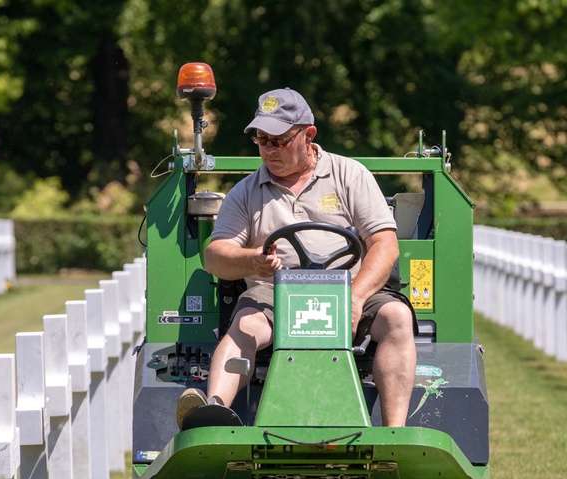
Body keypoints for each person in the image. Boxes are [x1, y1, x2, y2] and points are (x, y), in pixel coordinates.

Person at [176, 88, 417, 429]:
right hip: (273, 291)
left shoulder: (350, 174)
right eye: (261, 140)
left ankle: (395, 432)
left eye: (279, 140)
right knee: (245, 325)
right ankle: (213, 410)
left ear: (308, 135)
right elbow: (216, 255)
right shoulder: (245, 192)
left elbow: (384, 244)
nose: (269, 150)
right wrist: (252, 260)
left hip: (349, 287)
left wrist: (356, 298)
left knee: (396, 317)